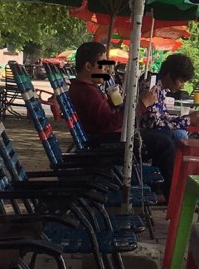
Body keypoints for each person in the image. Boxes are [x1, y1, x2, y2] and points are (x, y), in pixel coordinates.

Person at [69, 41, 181, 199]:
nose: (106, 69)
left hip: (107, 137)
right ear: (88, 66)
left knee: (165, 136)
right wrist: (143, 104)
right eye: (103, 64)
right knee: (164, 142)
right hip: (105, 143)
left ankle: (161, 190)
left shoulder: (87, 89)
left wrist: (114, 102)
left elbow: (106, 117)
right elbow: (110, 123)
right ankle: (171, 196)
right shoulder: (87, 92)